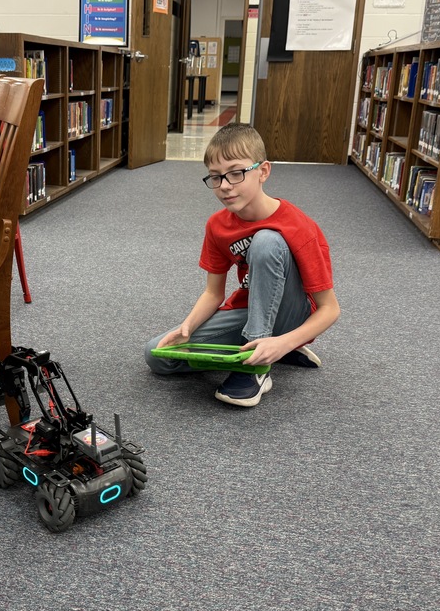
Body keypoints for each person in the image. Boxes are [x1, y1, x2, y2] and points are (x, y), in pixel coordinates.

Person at [145, 123, 340, 407]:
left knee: (267, 241)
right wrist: (187, 326)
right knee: (157, 355)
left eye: (236, 173)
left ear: (263, 171)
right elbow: (213, 293)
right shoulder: (217, 225)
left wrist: (285, 340)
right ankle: (266, 348)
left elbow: (330, 309)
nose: (225, 186)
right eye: (215, 177)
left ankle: (255, 367)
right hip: (248, 311)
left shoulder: (299, 227)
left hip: (293, 314)